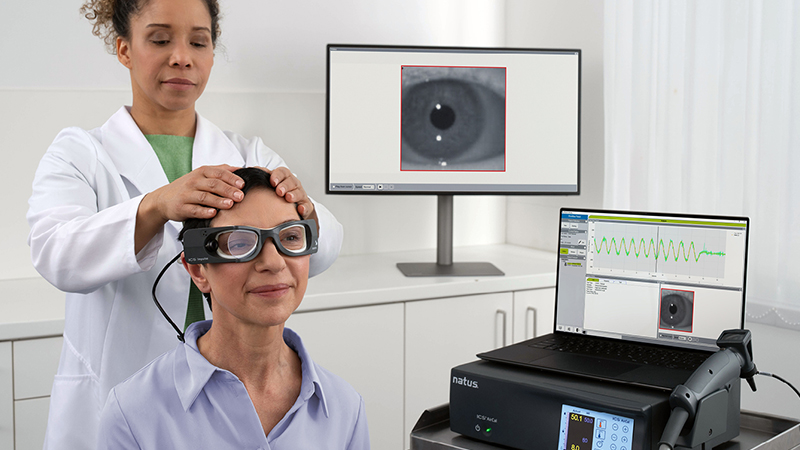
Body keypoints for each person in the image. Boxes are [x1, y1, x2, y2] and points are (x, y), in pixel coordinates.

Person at [26, 0, 343, 448]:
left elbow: (324, 248)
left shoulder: (248, 155)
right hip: (119, 393)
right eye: (159, 39)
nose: (182, 56)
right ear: (124, 49)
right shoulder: (81, 153)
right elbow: (56, 254)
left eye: (199, 41)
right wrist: (155, 206)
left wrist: (303, 208)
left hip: (225, 394)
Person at [96, 168, 368, 449]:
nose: (273, 263)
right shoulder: (132, 414)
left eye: (289, 238)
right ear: (198, 270)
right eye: (239, 243)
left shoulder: (345, 407)